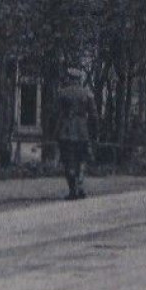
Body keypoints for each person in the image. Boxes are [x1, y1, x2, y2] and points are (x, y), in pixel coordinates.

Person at [53, 66, 98, 200]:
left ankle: (73, 189)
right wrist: (93, 131)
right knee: (82, 160)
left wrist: (56, 130)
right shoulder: (87, 93)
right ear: (79, 79)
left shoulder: (62, 93)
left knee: (68, 161)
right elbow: (94, 115)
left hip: (66, 131)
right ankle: (80, 186)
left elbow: (56, 113)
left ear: (69, 78)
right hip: (82, 132)